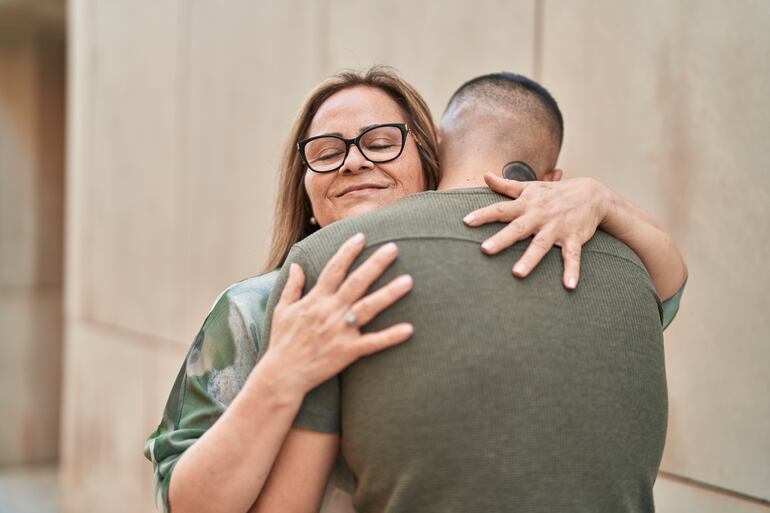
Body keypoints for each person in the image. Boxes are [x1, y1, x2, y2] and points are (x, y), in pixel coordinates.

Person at [145, 68, 686, 513]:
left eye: (381, 143)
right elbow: (184, 500)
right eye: (327, 151)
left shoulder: (530, 257)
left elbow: (663, 289)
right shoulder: (253, 306)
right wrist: (282, 372)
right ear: (305, 194)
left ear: (432, 162)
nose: (355, 160)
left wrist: (599, 200)